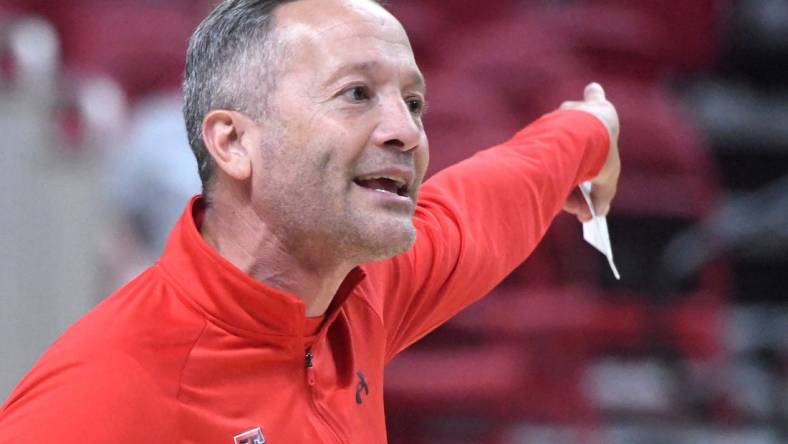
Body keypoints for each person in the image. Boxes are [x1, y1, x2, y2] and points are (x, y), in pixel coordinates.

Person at [0, 0, 620, 442]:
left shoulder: (357, 295)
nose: (407, 131)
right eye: (356, 94)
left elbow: (493, 196)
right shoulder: (106, 394)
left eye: (413, 102)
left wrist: (592, 131)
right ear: (235, 143)